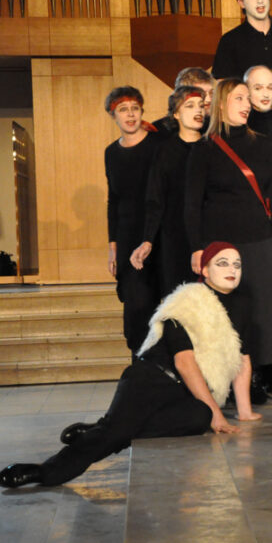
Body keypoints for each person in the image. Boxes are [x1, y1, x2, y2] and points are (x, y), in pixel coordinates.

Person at [0, 242, 262, 489]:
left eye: (237, 264)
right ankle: (45, 471)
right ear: (204, 269)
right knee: (120, 431)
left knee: (199, 417)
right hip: (151, 378)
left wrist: (245, 412)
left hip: (182, 392)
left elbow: (242, 359)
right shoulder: (188, 300)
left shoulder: (243, 305)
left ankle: (101, 429)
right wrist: (218, 412)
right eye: (222, 263)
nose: (231, 270)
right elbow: (184, 361)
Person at [185, 78, 272, 389]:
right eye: (239, 98)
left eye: (248, 98)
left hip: (259, 237)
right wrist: (196, 248)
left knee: (261, 312)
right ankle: (224, 382)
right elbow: (191, 204)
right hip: (220, 243)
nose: (247, 104)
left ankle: (255, 380)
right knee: (226, 316)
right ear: (220, 104)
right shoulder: (204, 150)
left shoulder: (266, 144)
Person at [104, 86, 163, 355]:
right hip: (128, 235)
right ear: (112, 115)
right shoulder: (111, 152)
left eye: (135, 109)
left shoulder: (158, 145)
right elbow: (113, 200)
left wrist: (152, 237)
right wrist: (113, 245)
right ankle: (141, 367)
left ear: (142, 112)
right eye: (123, 110)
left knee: (157, 302)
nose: (130, 115)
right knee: (135, 307)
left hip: (158, 232)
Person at [134, 86, 207, 295]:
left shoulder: (212, 147)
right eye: (190, 106)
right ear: (175, 113)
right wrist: (148, 239)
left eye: (201, 106)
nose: (198, 111)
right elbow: (155, 199)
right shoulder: (165, 151)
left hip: (208, 234)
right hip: (174, 236)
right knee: (178, 298)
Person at [150, 67, 214, 134]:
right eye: (201, 94)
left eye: (211, 93)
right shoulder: (158, 131)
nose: (208, 100)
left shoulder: (218, 128)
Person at [245, 65, 272, 146]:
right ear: (246, 90)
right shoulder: (241, 124)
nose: (266, 94)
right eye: (258, 88)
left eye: (270, 88)